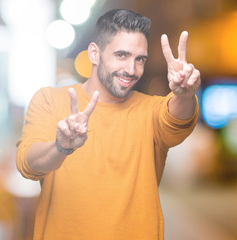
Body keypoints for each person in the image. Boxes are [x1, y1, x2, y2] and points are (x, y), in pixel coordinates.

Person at [16, 9, 200, 239]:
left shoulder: (150, 110)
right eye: (121, 55)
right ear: (95, 53)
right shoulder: (49, 100)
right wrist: (61, 146)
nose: (131, 70)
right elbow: (28, 164)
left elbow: (178, 120)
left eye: (139, 59)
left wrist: (184, 94)